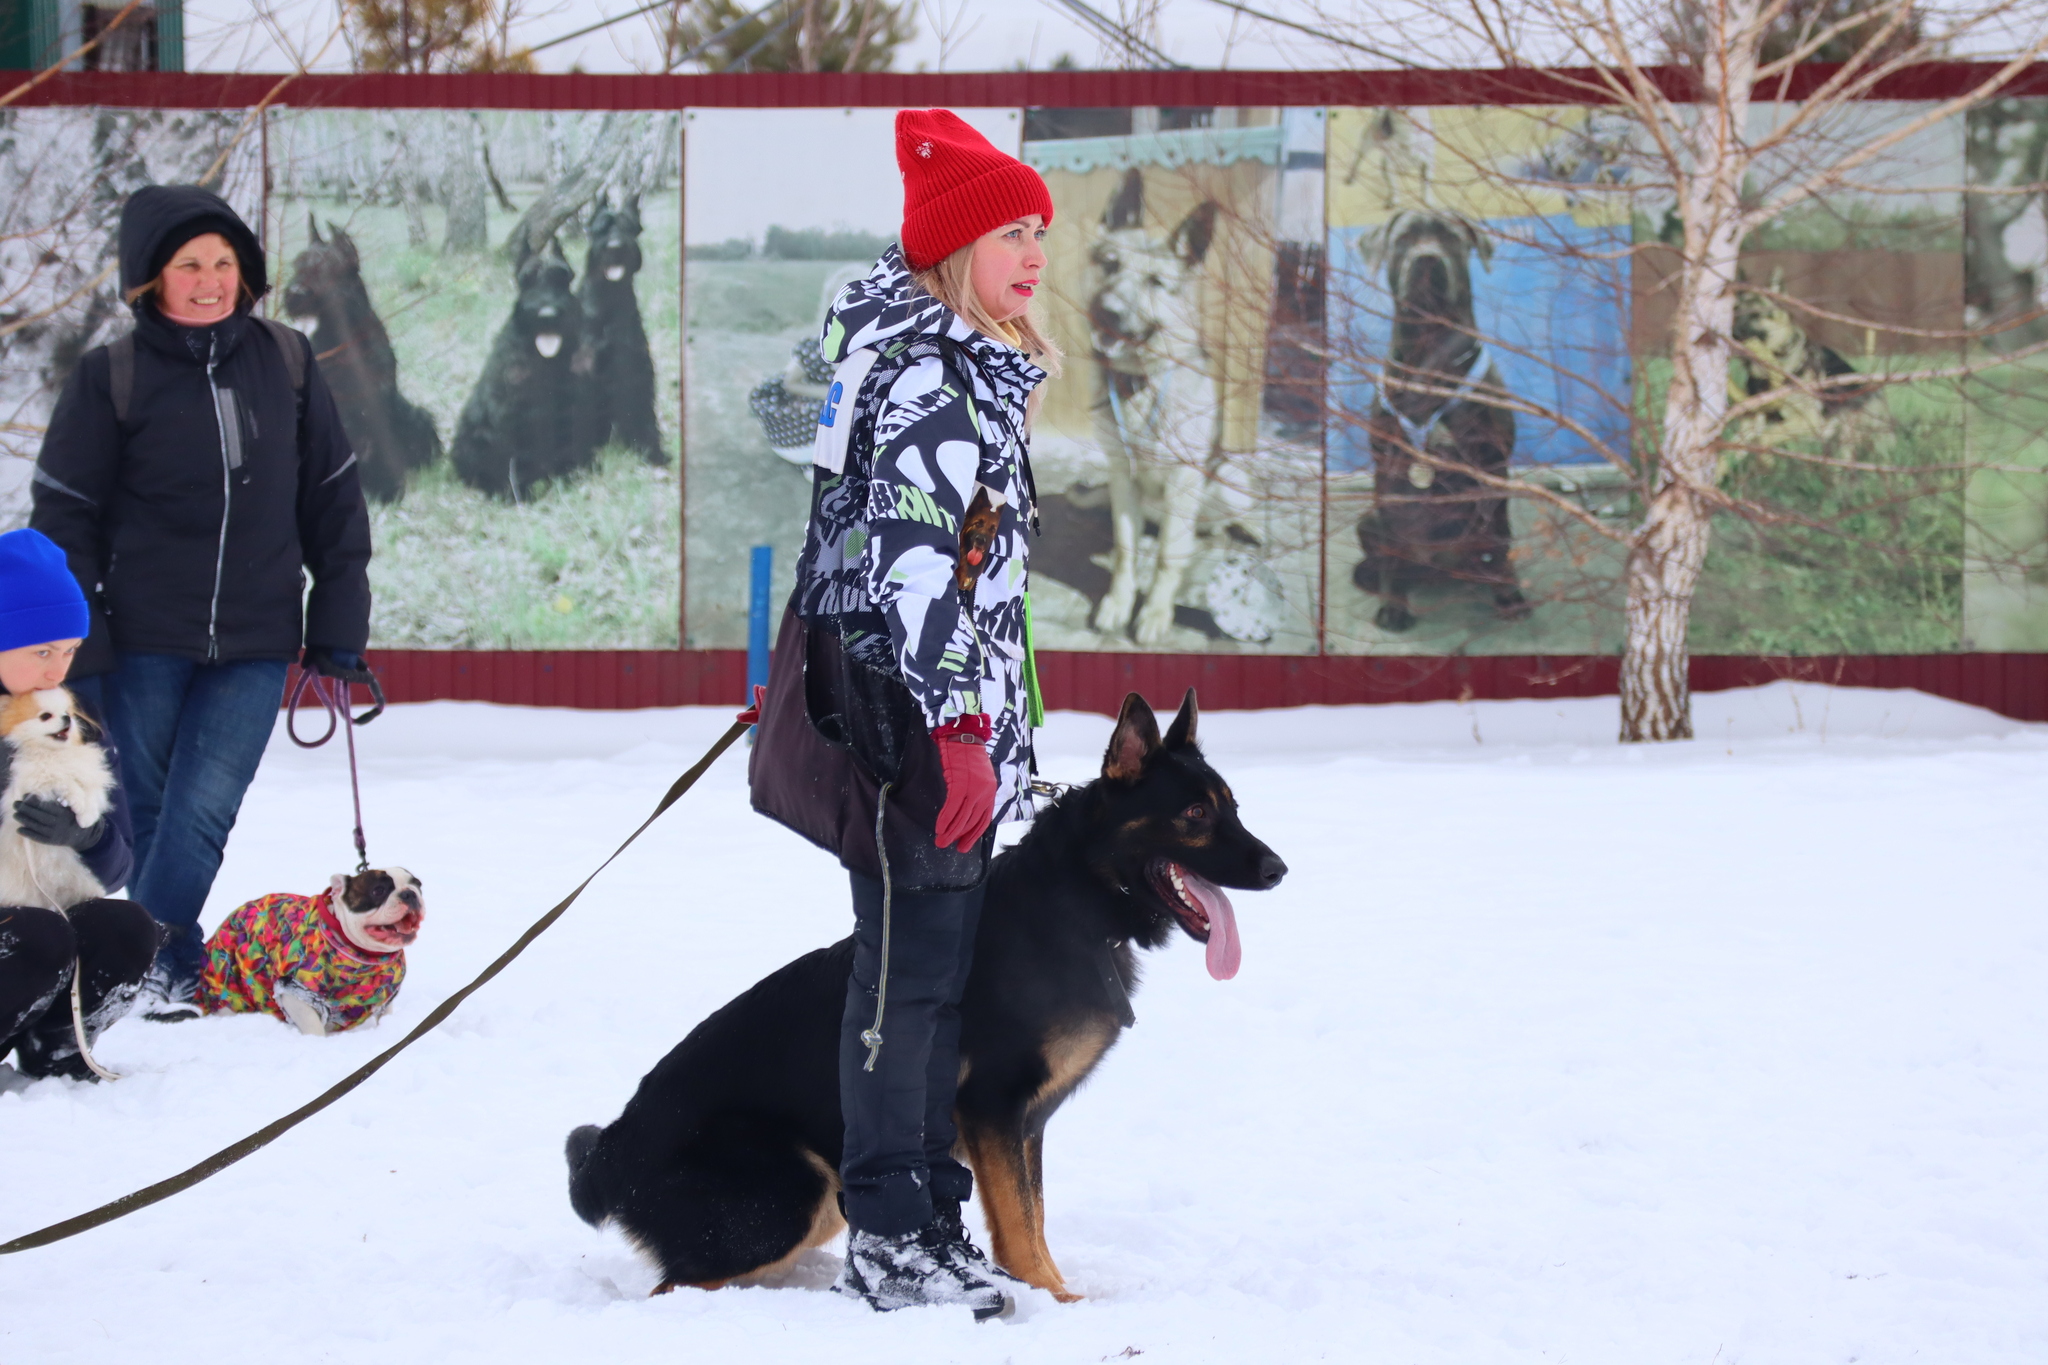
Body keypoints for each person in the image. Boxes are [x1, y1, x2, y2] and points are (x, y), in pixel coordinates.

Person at [748, 109, 1061, 1316]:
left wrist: (842, 332)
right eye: (1006, 232)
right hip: (916, 717)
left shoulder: (915, 349)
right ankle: (892, 1232)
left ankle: (922, 1210)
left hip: (920, 709)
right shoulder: (936, 371)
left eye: (1039, 229)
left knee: (920, 978)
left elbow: (787, 436)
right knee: (907, 983)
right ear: (950, 249)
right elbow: (918, 566)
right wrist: (957, 730)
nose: (1032, 253)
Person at [31, 184, 373, 1020]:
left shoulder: (286, 360)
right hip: (141, 636)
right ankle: (165, 960)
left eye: (224, 263)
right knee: (146, 807)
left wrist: (335, 625)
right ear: (152, 278)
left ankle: (139, 955)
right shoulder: (110, 375)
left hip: (257, 639)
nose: (210, 279)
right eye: (190, 265)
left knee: (203, 808)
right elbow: (63, 514)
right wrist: (86, 639)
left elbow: (333, 500)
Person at [0, 527, 159, 1083]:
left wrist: (87, 838)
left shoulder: (77, 719)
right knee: (37, 934)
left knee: (127, 927)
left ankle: (60, 1049)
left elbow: (118, 870)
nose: (57, 670)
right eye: (42, 651)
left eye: (68, 651)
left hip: (43, 906)